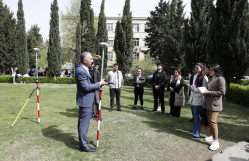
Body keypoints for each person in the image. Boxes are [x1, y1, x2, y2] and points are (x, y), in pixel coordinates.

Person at [75, 52, 106, 152]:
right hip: (85, 100)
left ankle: (83, 140)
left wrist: (95, 60)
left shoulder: (83, 67)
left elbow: (90, 64)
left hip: (87, 100)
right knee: (84, 123)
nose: (92, 60)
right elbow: (86, 87)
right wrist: (99, 84)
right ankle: (83, 146)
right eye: (91, 59)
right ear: (85, 60)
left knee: (84, 122)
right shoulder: (80, 70)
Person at [203, 64, 226, 151]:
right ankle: (213, 137)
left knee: (213, 121)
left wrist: (208, 92)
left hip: (215, 104)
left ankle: (216, 141)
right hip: (208, 103)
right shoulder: (210, 78)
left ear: (216, 71)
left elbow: (222, 92)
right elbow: (208, 89)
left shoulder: (221, 79)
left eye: (212, 70)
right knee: (209, 121)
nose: (210, 71)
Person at [189, 63, 209, 138]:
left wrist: (194, 89)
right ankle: (195, 130)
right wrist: (191, 88)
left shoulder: (204, 77)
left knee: (196, 116)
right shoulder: (195, 76)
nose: (195, 69)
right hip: (193, 98)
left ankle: (196, 133)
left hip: (199, 99)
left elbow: (204, 89)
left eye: (197, 68)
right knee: (194, 115)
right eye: (195, 67)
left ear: (201, 68)